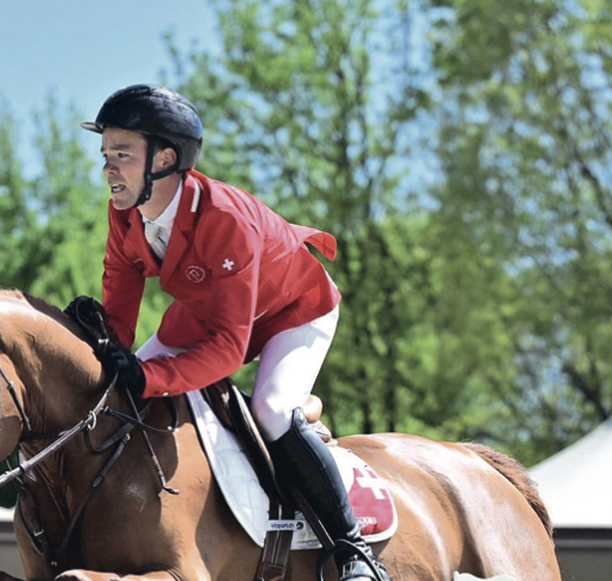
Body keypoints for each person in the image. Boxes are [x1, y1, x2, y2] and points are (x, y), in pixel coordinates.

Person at [79, 84, 389, 581]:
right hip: (213, 311)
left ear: (165, 158)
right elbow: (121, 300)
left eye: (122, 154)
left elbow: (227, 350)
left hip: (295, 309)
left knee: (271, 408)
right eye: (105, 154)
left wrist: (151, 377)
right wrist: (105, 345)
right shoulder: (124, 213)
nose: (108, 168)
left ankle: (353, 551)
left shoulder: (225, 217)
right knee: (119, 394)